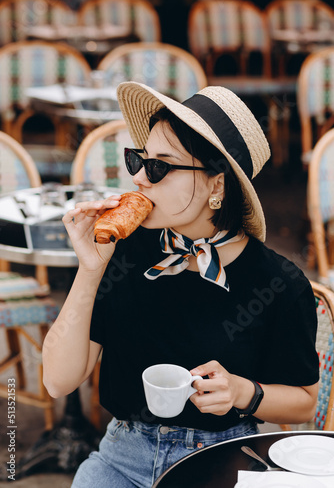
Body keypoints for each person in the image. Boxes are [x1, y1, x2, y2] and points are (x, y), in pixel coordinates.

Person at [42, 82, 319, 488]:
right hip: (122, 457)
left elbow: (305, 402)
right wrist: (89, 268)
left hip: (225, 458)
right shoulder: (125, 249)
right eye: (139, 160)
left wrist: (243, 392)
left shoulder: (278, 282)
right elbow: (57, 381)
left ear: (217, 185)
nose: (139, 177)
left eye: (160, 166)